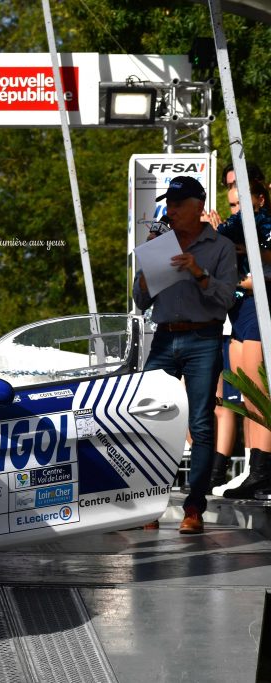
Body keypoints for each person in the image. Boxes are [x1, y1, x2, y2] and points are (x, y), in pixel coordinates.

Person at [133, 176, 237, 534]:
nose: (171, 210)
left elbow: (225, 300)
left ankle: (194, 508)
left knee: (202, 424)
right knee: (147, 419)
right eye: (169, 204)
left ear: (198, 206)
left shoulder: (220, 246)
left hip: (204, 338)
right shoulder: (160, 243)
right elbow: (140, 300)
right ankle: (149, 505)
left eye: (178, 204)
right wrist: (148, 266)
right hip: (163, 338)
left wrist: (197, 272)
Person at [209, 180, 271, 499]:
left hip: (258, 308)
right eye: (232, 205)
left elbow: (263, 268)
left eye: (241, 203)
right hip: (239, 311)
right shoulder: (234, 227)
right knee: (246, 395)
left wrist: (241, 251)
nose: (236, 210)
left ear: (260, 199)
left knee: (259, 394)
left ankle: (261, 472)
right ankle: (255, 469)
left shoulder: (266, 223)